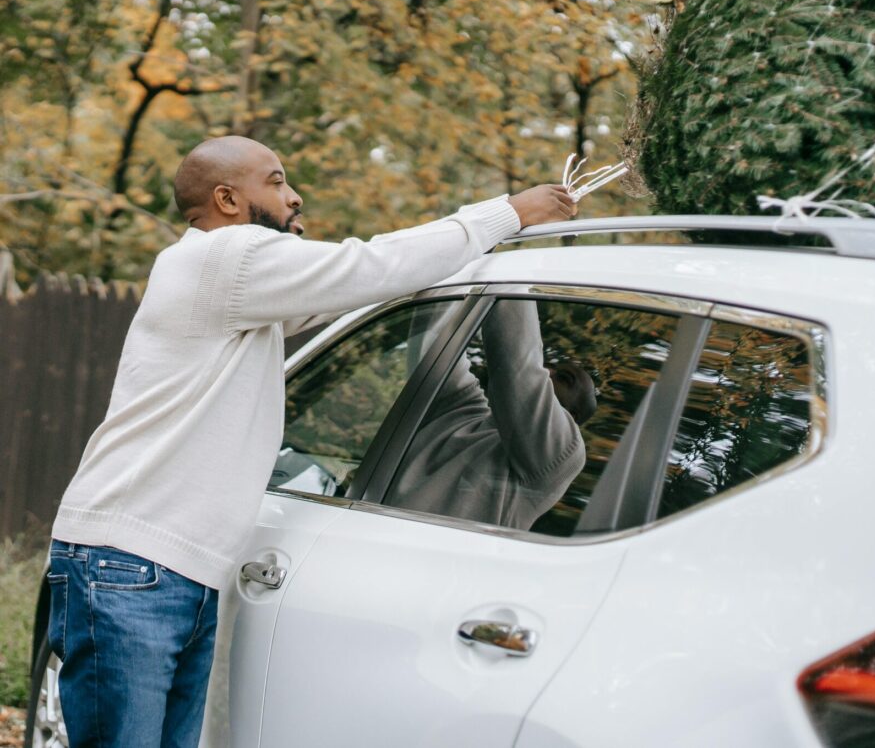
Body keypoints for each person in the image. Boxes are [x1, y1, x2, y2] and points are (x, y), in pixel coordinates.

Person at [46, 135, 577, 748]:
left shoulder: (229, 284)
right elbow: (370, 265)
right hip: (130, 567)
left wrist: (482, 247)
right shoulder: (228, 257)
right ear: (226, 199)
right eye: (275, 181)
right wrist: (507, 213)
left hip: (157, 570)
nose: (294, 196)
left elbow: (369, 285)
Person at [388, 298, 596, 530]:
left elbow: (519, 365)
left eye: (565, 379)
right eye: (552, 368)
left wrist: (511, 266)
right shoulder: (461, 412)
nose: (548, 373)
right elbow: (433, 342)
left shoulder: (563, 455)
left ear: (573, 419)